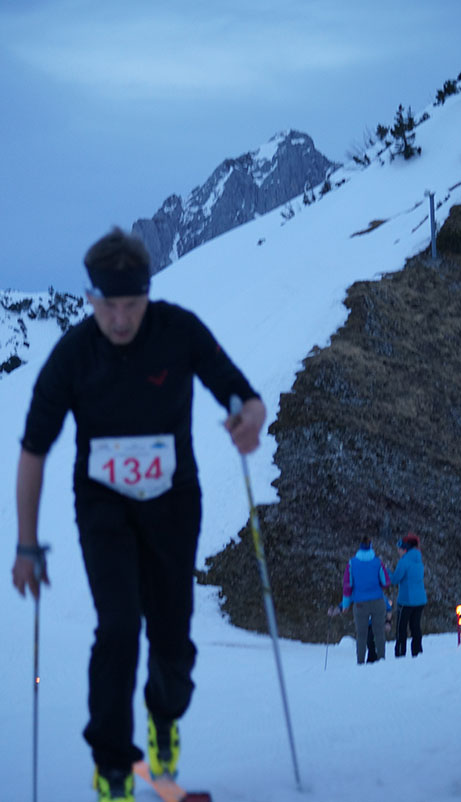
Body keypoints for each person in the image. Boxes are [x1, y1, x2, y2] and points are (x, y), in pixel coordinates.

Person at [11, 228, 266, 802]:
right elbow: (32, 452)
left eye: (133, 304)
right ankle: (113, 767)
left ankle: (163, 719)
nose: (122, 319)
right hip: (103, 505)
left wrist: (250, 418)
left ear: (148, 294)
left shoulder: (178, 330)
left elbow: (243, 394)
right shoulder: (74, 353)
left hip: (174, 502)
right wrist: (26, 545)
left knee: (172, 638)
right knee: (119, 628)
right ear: (91, 298)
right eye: (110, 306)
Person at [329, 536, 391, 664]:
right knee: (379, 633)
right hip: (377, 601)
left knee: (361, 634)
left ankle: (360, 662)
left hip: (360, 604)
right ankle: (382, 660)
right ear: (371, 548)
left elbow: (347, 586)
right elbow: (386, 582)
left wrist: (345, 605)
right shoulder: (377, 562)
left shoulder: (352, 563)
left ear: (359, 548)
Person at [389, 532, 427, 657]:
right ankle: (417, 652)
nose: (398, 551)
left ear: (405, 549)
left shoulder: (404, 561)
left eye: (399, 548)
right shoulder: (418, 560)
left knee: (401, 628)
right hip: (420, 600)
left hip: (406, 601)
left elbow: (395, 579)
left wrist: (386, 571)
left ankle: (400, 653)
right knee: (415, 627)